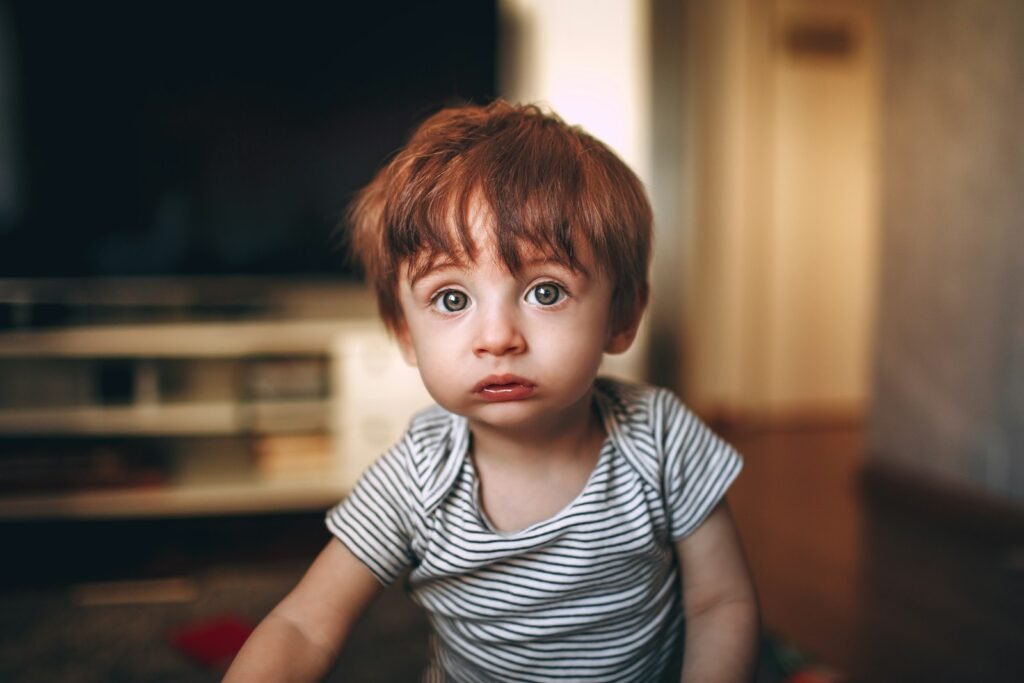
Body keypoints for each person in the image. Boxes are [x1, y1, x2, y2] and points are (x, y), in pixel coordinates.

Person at [224, 100, 759, 682]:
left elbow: (719, 604)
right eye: (452, 299)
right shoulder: (417, 477)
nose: (498, 337)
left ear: (620, 316)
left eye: (546, 292)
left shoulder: (658, 437)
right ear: (405, 332)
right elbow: (305, 625)